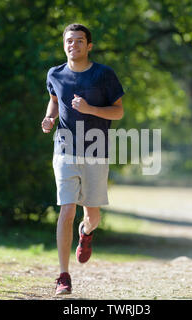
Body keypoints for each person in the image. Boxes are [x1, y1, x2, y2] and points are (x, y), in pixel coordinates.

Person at [42, 23, 124, 295]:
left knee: (92, 215)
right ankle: (63, 275)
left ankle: (86, 233)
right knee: (66, 209)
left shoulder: (104, 75)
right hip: (65, 148)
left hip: (95, 150)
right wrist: (50, 118)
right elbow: (55, 99)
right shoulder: (55, 74)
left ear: (89, 46)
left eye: (79, 41)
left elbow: (118, 113)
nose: (73, 45)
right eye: (69, 41)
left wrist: (90, 109)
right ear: (63, 44)